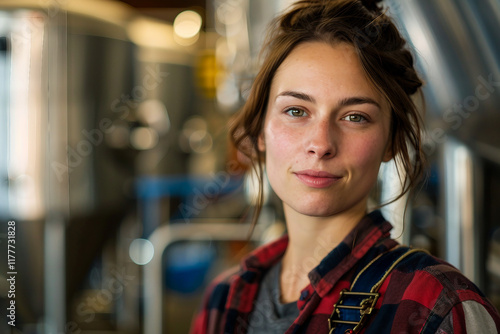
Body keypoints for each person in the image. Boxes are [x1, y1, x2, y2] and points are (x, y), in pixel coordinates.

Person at [190, 0, 500, 333]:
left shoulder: (436, 306)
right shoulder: (224, 299)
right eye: (296, 111)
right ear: (260, 130)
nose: (321, 144)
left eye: (355, 117)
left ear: (392, 141)